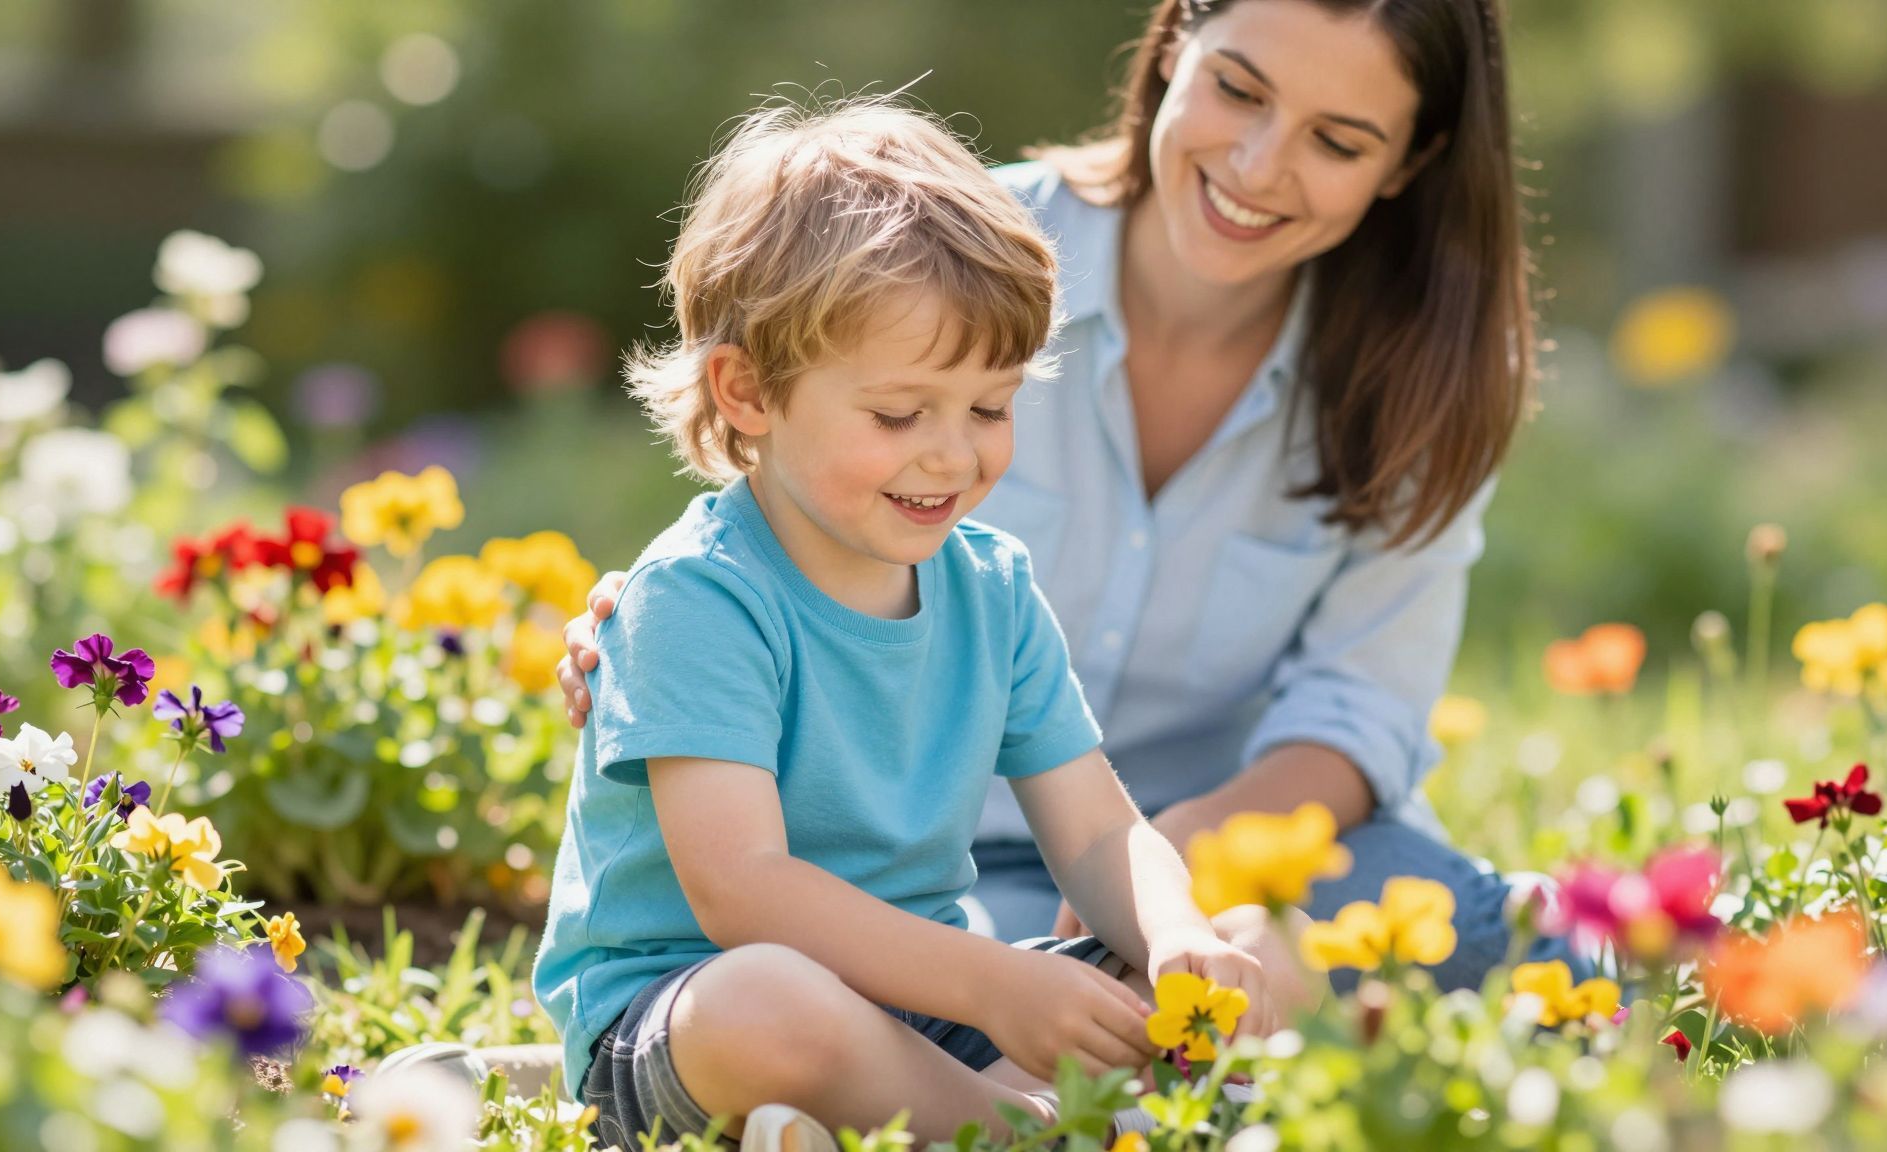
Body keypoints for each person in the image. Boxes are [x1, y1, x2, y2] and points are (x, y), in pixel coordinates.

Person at [561, 0, 1584, 991]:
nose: (1257, 166)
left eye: (1338, 142)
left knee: (1413, 934)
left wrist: (1174, 862)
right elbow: (766, 500)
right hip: (961, 872)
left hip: (1246, 848)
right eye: (1237, 89)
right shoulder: (951, 259)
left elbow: (1359, 712)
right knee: (947, 990)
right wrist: (654, 622)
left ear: (1406, 162)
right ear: (1177, 37)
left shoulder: (1424, 369)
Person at [531, 98, 1320, 1152]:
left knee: (1266, 949)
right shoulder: (697, 598)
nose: (952, 456)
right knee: (769, 1004)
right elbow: (743, 893)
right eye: (899, 415)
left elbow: (1092, 828)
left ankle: (896, 1125)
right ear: (748, 389)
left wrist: (1175, 939)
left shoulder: (988, 586)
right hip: (690, 1019)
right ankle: (1033, 1133)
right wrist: (993, 987)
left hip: (936, 1014)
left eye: (988, 408)